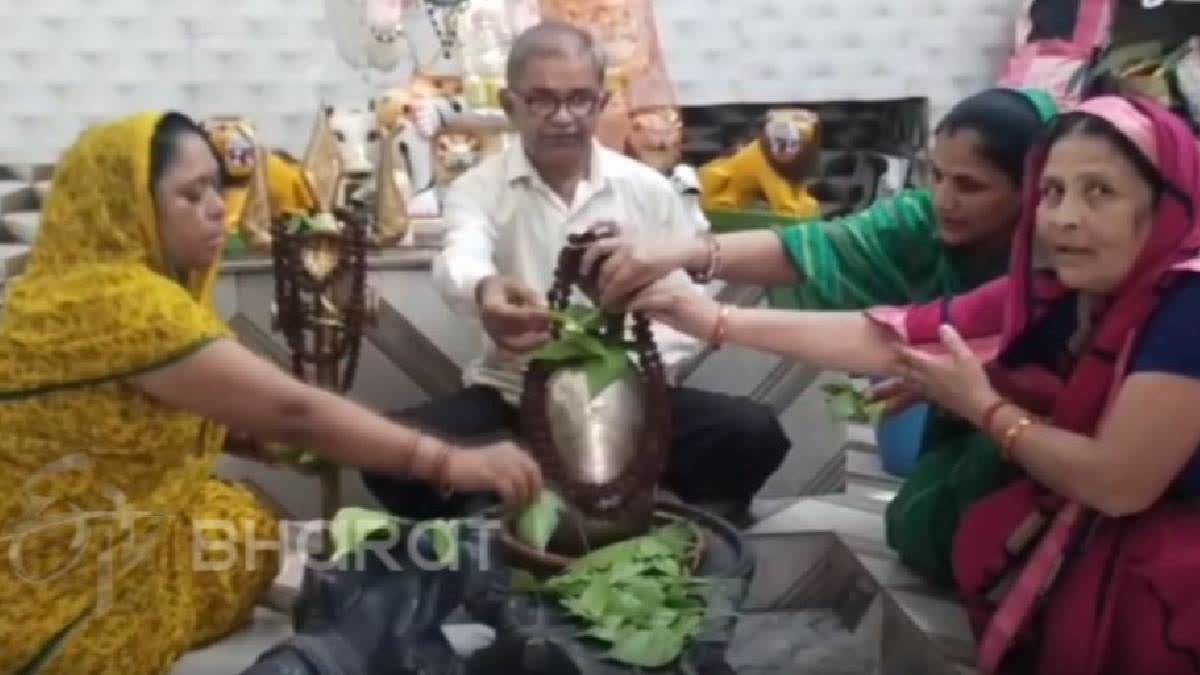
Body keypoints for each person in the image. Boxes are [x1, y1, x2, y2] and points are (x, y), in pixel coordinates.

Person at [614, 96, 1200, 673]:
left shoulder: (1186, 304)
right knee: (934, 522)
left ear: (1167, 200)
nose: (1067, 217)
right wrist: (713, 319)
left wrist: (984, 408)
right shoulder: (1055, 286)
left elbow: (1120, 484)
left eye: (1100, 192)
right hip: (1081, 503)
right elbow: (895, 337)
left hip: (1162, 561)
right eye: (1054, 191)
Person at [0, 111, 542, 675]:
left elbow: (106, 414)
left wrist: (234, 435)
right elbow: (295, 412)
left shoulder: (54, 290)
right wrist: (449, 462)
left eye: (217, 186)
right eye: (192, 194)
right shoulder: (130, 304)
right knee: (246, 538)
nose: (216, 207)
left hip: (31, 548)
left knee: (231, 520)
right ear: (127, 207)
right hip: (63, 602)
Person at [583, 87, 1058, 584]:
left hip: (1076, 448)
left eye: (970, 185)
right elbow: (819, 249)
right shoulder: (924, 224)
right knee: (920, 526)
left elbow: (886, 343)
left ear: (1031, 189)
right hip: (977, 420)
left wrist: (715, 320)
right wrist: (683, 252)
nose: (945, 199)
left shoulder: (1057, 264)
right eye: (937, 176)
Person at [360, 21, 790, 523]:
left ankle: (660, 525)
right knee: (389, 455)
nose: (563, 117)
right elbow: (462, 256)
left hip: (637, 403)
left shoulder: (647, 189)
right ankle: (513, 523)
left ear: (602, 103)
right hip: (514, 401)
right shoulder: (477, 189)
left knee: (751, 433)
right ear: (510, 105)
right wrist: (485, 290)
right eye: (542, 100)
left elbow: (685, 309)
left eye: (580, 100)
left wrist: (627, 360)